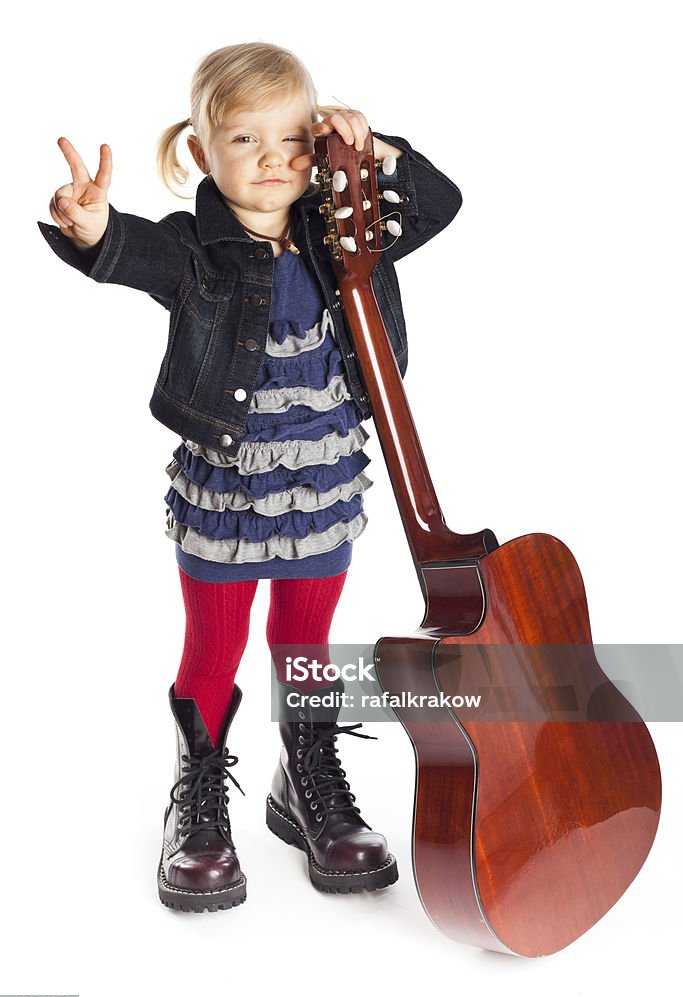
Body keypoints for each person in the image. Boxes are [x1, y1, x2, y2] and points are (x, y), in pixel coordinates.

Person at [37, 41, 463, 914]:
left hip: (323, 481)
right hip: (227, 493)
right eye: (243, 140)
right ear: (199, 151)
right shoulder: (196, 248)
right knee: (215, 646)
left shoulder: (347, 228)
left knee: (305, 640)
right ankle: (196, 798)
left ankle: (302, 772)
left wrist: (373, 151)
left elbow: (442, 204)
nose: (273, 160)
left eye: (294, 140)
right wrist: (91, 229)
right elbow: (130, 255)